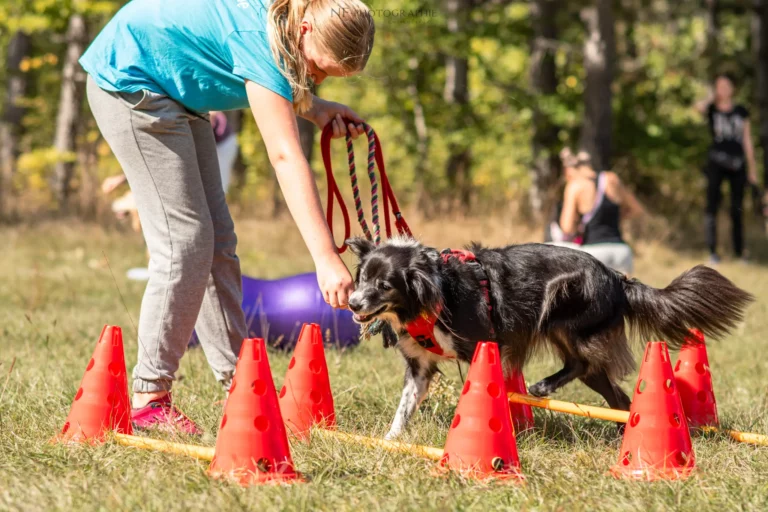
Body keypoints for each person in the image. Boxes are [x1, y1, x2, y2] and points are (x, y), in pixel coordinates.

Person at [80, 0, 374, 435]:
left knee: (216, 242)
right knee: (185, 242)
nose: (317, 78)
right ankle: (148, 399)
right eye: (320, 68)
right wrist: (326, 257)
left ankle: (243, 386)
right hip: (130, 84)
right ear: (306, 27)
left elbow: (280, 82)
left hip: (173, 93)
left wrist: (314, 106)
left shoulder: (287, 26)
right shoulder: (264, 41)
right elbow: (284, 156)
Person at [546, 148, 645, 276]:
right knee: (622, 295)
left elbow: (567, 228)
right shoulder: (612, 178)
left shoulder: (575, 185)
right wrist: (614, 218)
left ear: (569, 169)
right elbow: (636, 209)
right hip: (621, 251)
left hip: (595, 253)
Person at [694, 73, 760, 264]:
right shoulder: (712, 109)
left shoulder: (741, 111)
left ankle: (740, 252)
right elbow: (698, 108)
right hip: (716, 163)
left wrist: (752, 169)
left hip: (738, 164)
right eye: (719, 86)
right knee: (711, 207)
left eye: (726, 85)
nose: (722, 89)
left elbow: (747, 140)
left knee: (737, 209)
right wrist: (711, 98)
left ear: (733, 88)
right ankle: (712, 251)